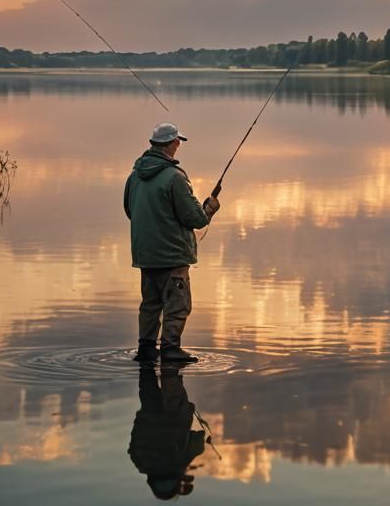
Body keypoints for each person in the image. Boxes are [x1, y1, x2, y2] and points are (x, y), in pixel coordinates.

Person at [124, 122, 219, 365]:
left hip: (145, 255)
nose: (178, 145)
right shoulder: (175, 177)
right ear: (171, 143)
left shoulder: (134, 176)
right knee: (178, 304)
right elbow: (196, 219)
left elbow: (130, 210)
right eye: (177, 141)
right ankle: (170, 349)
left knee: (150, 304)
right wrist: (209, 209)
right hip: (172, 255)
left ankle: (146, 349)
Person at [128, 367, 207, 499]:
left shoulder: (180, 463)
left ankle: (170, 358)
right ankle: (147, 356)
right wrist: (141, 419)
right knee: (147, 377)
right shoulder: (141, 463)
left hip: (176, 416)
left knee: (171, 379)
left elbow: (198, 440)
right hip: (149, 415)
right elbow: (134, 439)